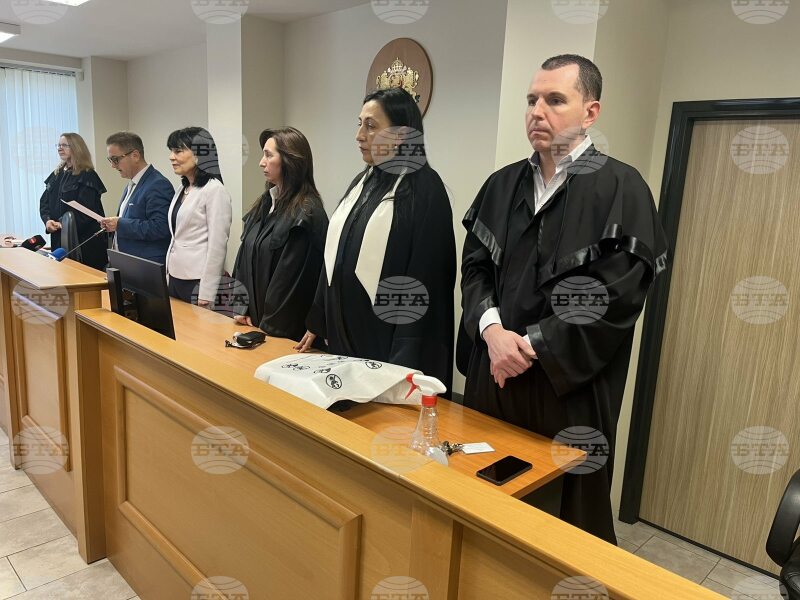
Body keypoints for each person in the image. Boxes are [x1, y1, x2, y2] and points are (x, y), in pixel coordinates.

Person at [459, 54, 668, 544]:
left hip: (570, 386)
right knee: (481, 508)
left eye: (555, 100)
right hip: (495, 375)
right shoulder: (502, 185)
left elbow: (617, 296)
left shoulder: (622, 188)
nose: (537, 111)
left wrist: (529, 344)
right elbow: (474, 269)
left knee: (561, 528)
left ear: (590, 112)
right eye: (532, 99)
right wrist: (492, 332)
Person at [297, 87, 456, 394]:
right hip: (344, 340)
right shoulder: (362, 182)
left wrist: (404, 364)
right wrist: (318, 320)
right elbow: (335, 257)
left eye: (371, 126)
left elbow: (426, 282)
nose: (359, 135)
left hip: (387, 348)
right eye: (360, 124)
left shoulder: (424, 190)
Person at [231, 127, 328, 341]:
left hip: (282, 334)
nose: (261, 162)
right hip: (254, 325)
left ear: (290, 160)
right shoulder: (266, 203)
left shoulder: (307, 213)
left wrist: (268, 329)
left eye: (268, 155)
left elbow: (291, 282)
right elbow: (243, 257)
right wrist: (240, 306)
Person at [164, 127, 232, 307]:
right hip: (175, 276)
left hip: (198, 281)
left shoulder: (215, 190)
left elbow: (218, 245)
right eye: (171, 151)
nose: (171, 157)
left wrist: (207, 291)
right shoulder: (183, 188)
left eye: (178, 151)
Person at [101, 132, 175, 264]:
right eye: (110, 160)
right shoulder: (132, 184)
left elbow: (160, 227)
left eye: (115, 159)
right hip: (128, 262)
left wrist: (120, 224)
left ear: (135, 155)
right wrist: (113, 225)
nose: (113, 165)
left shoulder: (158, 184)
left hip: (146, 266)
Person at [38, 133, 107, 270]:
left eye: (64, 145)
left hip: (84, 243)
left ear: (76, 148)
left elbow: (87, 211)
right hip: (60, 241)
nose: (60, 148)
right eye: (58, 145)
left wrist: (62, 224)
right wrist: (48, 221)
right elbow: (44, 202)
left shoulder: (87, 174)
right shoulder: (57, 174)